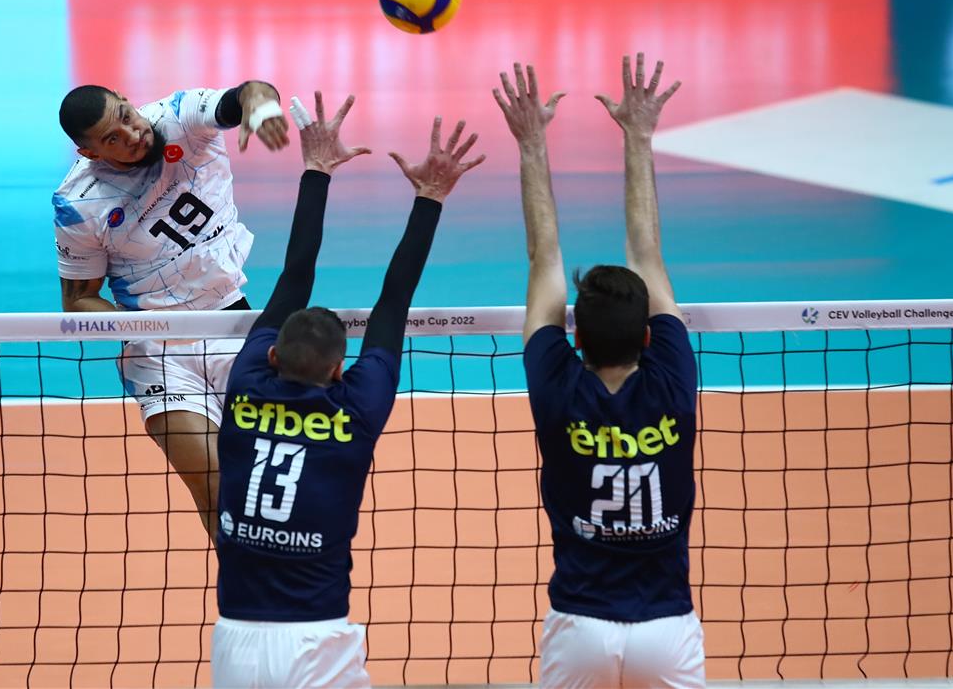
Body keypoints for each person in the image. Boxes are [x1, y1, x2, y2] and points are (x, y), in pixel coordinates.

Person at [211, 91, 483, 688]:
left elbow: (295, 277)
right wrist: (430, 196)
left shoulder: (246, 385)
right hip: (319, 640)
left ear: (273, 355)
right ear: (340, 371)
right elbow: (394, 301)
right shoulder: (355, 410)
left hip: (234, 640)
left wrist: (316, 169)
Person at [493, 55, 704, 688]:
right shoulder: (672, 381)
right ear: (649, 337)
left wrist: (531, 143)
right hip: (666, 630)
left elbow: (544, 258)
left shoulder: (557, 386)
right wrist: (639, 135)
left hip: (579, 626)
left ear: (575, 337)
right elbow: (648, 253)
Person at [52, 80, 289, 540]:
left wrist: (260, 107)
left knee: (270, 482)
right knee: (217, 489)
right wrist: (142, 326)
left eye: (125, 117)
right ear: (89, 152)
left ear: (127, 102)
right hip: (158, 354)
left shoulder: (182, 117)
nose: (132, 136)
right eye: (112, 139)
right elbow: (78, 298)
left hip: (234, 324)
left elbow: (249, 92)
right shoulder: (78, 203)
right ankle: (243, 586)